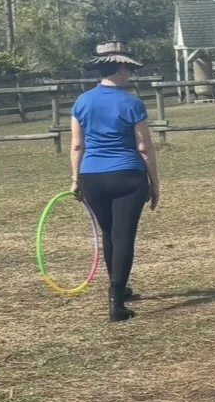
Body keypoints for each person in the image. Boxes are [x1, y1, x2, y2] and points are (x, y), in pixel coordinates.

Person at [69, 41, 160, 322]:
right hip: (127, 176)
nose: (129, 75)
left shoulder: (82, 101)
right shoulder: (132, 102)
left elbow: (76, 146)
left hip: (92, 176)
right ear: (121, 68)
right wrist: (154, 184)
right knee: (123, 237)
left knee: (109, 234)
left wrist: (75, 180)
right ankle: (116, 300)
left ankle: (120, 290)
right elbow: (144, 147)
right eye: (128, 69)